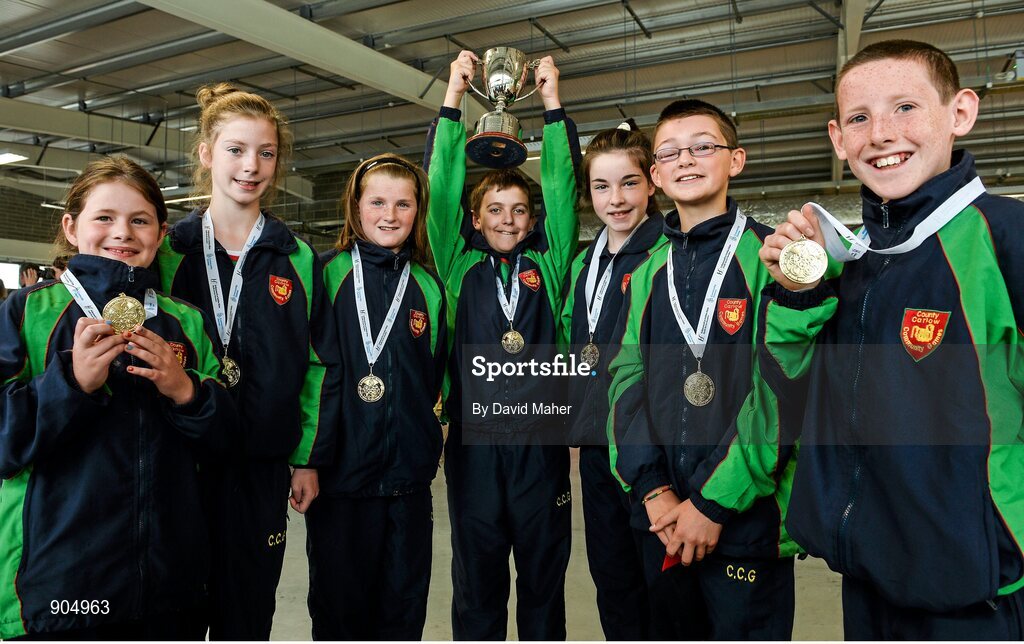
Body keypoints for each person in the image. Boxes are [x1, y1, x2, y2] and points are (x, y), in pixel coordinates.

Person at [760, 39, 1024, 639]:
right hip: (867, 572)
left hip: (973, 590)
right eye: (859, 118)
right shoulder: (850, 258)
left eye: (905, 107)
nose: (880, 134)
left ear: (959, 112)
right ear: (837, 137)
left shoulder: (1008, 239)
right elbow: (791, 394)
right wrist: (797, 293)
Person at [0, 156, 235, 639]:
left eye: (139, 220)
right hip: (60, 582)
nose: (122, 232)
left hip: (171, 584)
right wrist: (70, 384)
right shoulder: (27, 312)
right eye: (104, 218)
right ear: (71, 227)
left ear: (161, 232)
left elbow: (227, 439)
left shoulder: (184, 321)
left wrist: (186, 391)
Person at [607, 99, 799, 639]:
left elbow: (784, 393)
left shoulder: (770, 257)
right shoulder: (647, 274)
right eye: (669, 152)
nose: (685, 159)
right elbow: (625, 382)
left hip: (744, 523)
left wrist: (712, 504)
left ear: (734, 160)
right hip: (663, 522)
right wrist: (653, 491)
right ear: (655, 175)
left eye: (702, 146)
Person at [156, 83, 341, 640]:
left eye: (266, 152)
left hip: (261, 466)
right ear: (206, 153)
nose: (252, 166)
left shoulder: (298, 256)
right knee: (179, 610)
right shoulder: (169, 252)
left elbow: (316, 364)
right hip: (180, 462)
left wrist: (305, 458)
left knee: (248, 615)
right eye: (236, 149)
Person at [425, 50, 579, 639]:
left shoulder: (550, 260)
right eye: (495, 210)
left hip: (542, 445)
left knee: (544, 584)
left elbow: (564, 193)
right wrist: (453, 99)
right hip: (475, 448)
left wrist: (551, 104)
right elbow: (439, 191)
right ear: (476, 216)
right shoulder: (457, 263)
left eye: (519, 210)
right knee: (477, 584)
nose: (509, 220)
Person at [306, 154, 447, 640]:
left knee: (403, 615)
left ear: (418, 211)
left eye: (403, 204)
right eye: (378, 202)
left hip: (408, 483)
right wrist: (307, 460)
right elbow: (310, 375)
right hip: (341, 483)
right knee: (340, 614)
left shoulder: (429, 287)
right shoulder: (325, 275)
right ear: (356, 207)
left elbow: (432, 380)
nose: (390, 215)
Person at [559, 121, 663, 640]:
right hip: (599, 452)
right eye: (602, 186)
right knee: (613, 582)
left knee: (661, 588)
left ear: (653, 182)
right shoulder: (583, 262)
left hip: (656, 451)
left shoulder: (670, 252)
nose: (615, 199)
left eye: (628, 183)